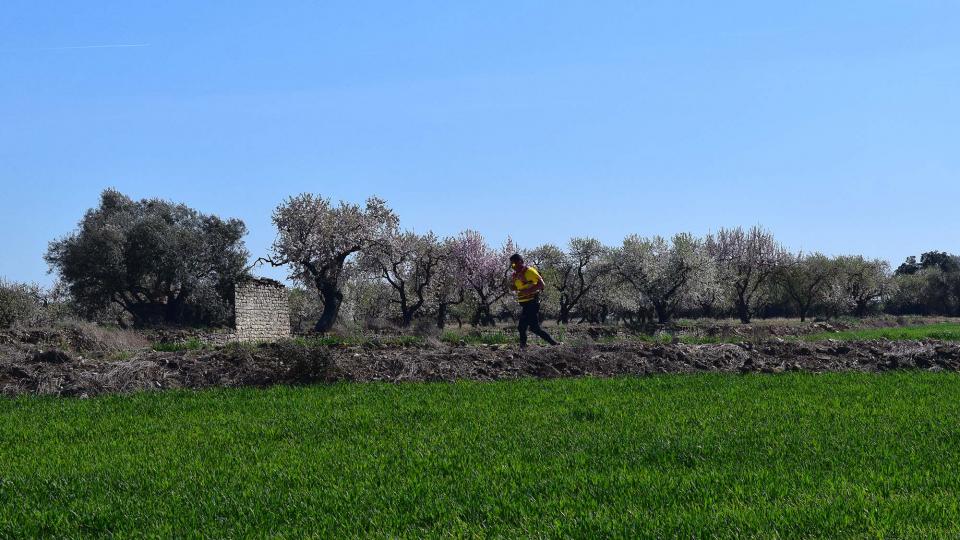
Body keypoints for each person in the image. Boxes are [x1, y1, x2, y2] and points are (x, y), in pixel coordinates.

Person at [509, 253, 559, 348]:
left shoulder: (530, 271)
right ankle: (554, 344)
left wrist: (528, 291)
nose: (513, 267)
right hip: (525, 304)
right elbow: (519, 286)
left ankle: (523, 347)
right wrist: (513, 287)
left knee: (522, 327)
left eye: (514, 264)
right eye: (511, 265)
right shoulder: (515, 275)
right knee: (534, 328)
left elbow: (541, 284)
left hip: (532, 302)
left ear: (519, 262)